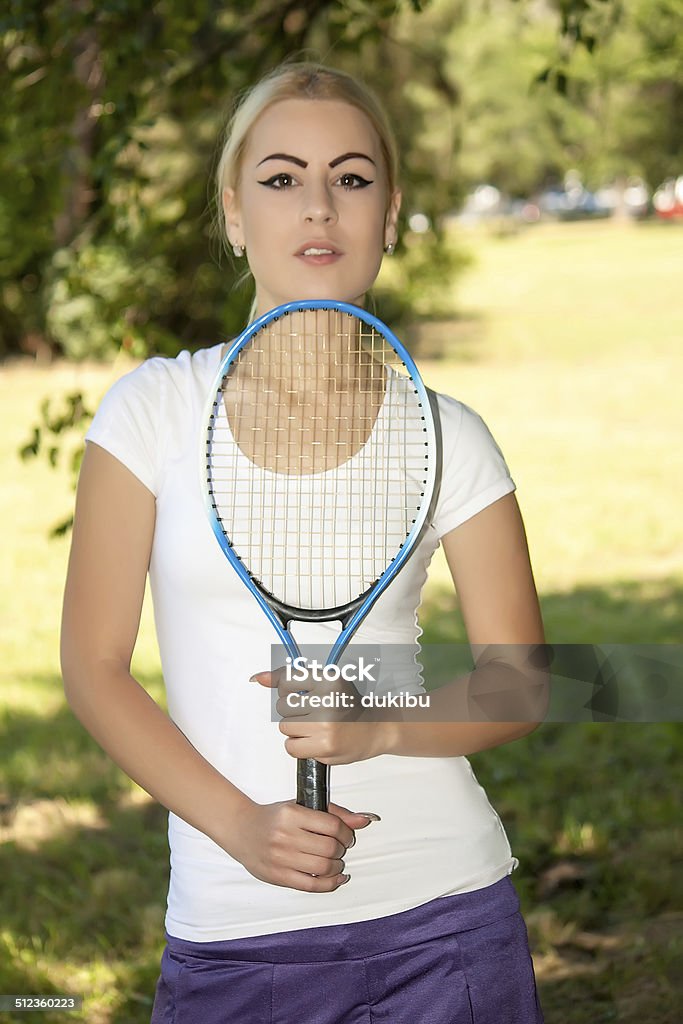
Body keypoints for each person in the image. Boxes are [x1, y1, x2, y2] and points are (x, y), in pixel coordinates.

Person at [61, 61, 547, 1023]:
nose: (318, 207)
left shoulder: (446, 431)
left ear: (389, 212)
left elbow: (523, 680)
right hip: (238, 933)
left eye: (351, 178)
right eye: (281, 179)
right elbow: (93, 667)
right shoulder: (154, 412)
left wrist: (379, 726)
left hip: (448, 923)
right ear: (235, 213)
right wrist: (241, 827)